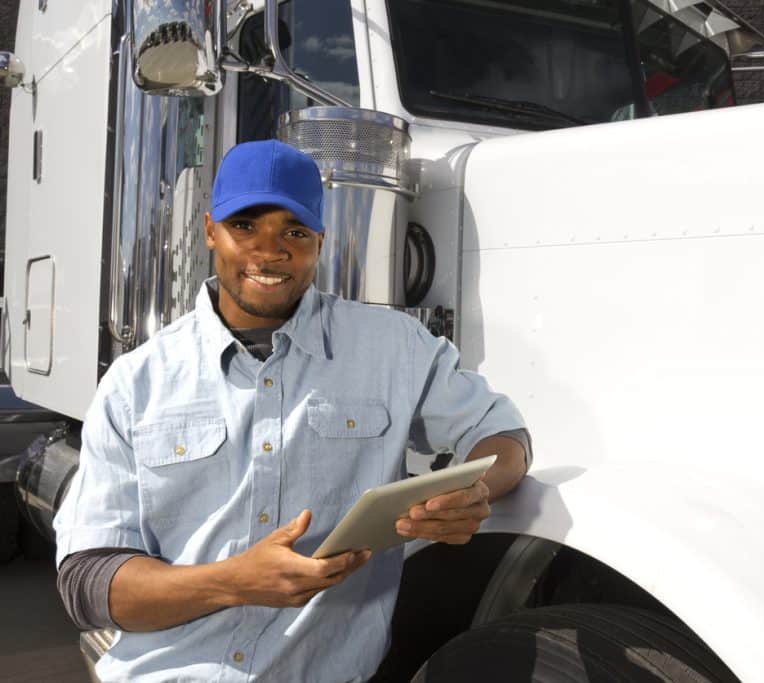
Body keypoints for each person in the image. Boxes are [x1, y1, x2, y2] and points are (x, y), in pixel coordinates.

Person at [53, 140, 531, 682]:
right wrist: (233, 581)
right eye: (245, 226)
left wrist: (475, 491)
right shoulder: (135, 383)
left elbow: (502, 433)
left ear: (319, 242)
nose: (270, 250)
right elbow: (90, 586)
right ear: (210, 231)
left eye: (294, 232)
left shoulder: (393, 347)